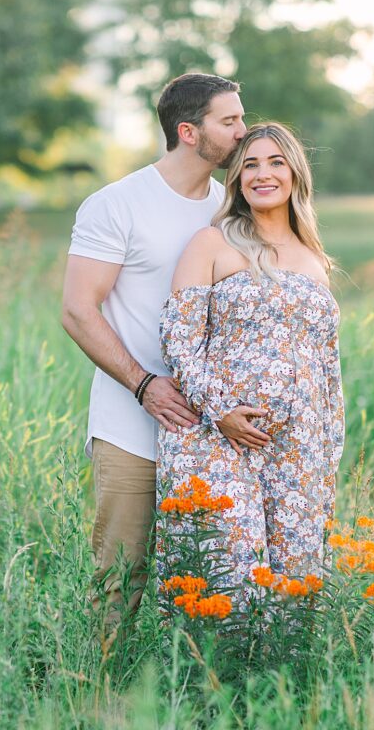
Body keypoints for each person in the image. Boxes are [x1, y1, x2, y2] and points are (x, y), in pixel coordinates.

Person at [62, 73, 246, 638]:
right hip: (131, 425)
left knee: (210, 575)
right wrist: (145, 385)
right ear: (189, 132)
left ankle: (184, 697)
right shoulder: (117, 204)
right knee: (121, 575)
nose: (243, 131)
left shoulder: (229, 209)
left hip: (213, 429)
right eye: (230, 121)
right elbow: (77, 311)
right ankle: (98, 700)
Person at [157, 122, 344, 602]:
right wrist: (220, 412)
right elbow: (179, 340)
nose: (263, 174)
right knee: (227, 575)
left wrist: (328, 448)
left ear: (295, 174)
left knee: (295, 582)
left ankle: (282, 680)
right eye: (251, 165)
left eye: (276, 162)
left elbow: (327, 367)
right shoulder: (212, 243)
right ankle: (209, 676)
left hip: (299, 449)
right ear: (237, 179)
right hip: (217, 439)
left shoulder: (313, 258)